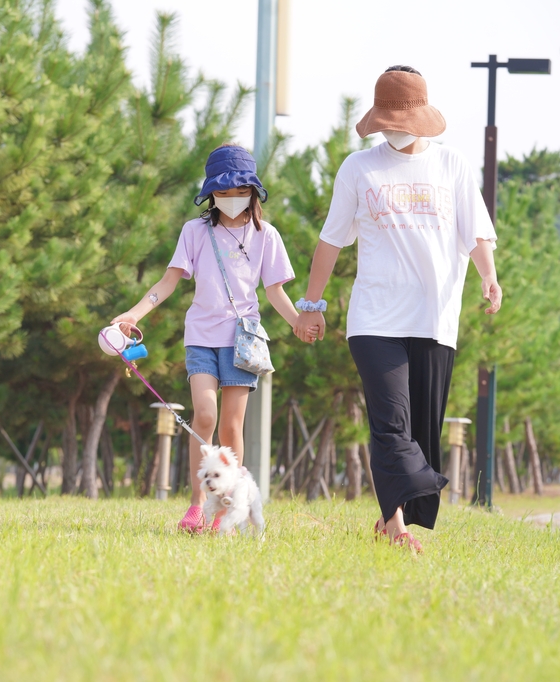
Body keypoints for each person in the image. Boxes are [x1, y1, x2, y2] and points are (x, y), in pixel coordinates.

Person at [294, 66, 502, 552]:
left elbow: (475, 232)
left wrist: (489, 277)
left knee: (421, 430)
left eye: (400, 119)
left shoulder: (452, 165)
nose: (392, 128)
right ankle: (397, 526)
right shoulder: (358, 168)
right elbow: (330, 241)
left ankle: (397, 516)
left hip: (434, 318)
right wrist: (311, 304)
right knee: (390, 423)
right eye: (385, 119)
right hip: (374, 318)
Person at [111, 144, 300, 532]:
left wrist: (299, 322)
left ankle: (225, 507)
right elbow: (168, 282)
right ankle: (197, 506)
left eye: (239, 191)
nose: (231, 199)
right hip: (200, 337)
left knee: (232, 428)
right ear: (211, 193)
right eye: (224, 192)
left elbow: (275, 291)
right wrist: (133, 313)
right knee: (205, 416)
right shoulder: (194, 231)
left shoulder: (267, 235)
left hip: (242, 341)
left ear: (253, 192)